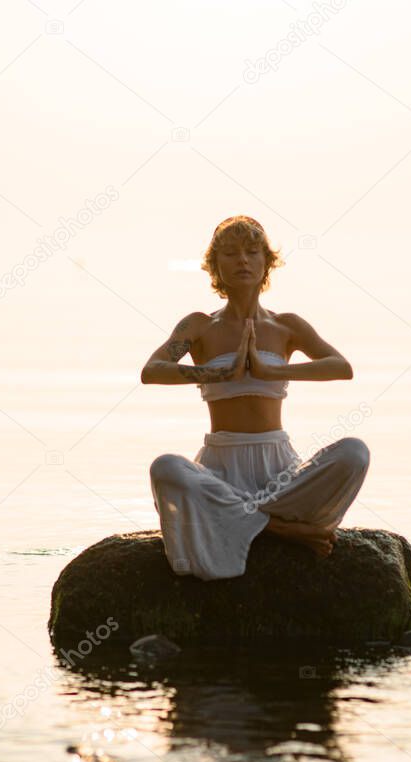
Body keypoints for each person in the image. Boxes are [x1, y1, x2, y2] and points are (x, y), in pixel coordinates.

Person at [141, 215, 370, 581]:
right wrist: (217, 372)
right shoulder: (198, 325)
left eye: (252, 252)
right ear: (215, 266)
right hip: (219, 469)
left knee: (355, 452)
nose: (242, 260)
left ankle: (245, 520)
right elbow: (151, 371)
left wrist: (273, 372)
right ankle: (283, 529)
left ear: (267, 263)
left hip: (280, 471)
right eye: (230, 253)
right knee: (166, 469)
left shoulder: (287, 325)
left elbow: (340, 366)